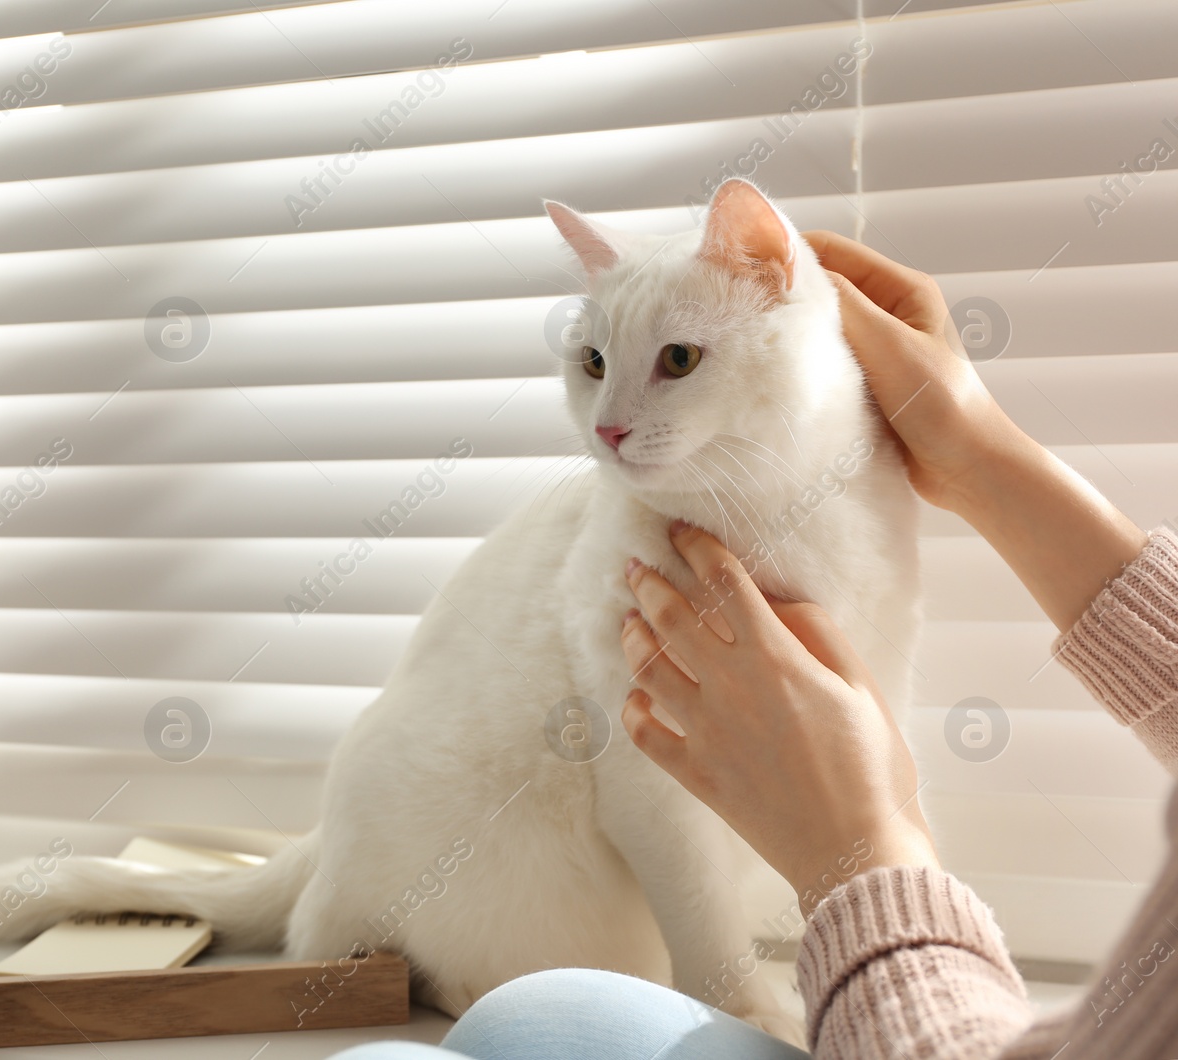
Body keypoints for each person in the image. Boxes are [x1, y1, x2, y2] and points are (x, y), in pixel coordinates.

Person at [330, 230, 1178, 1059]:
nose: (612, 423)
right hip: (466, 885)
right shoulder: (639, 525)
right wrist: (976, 452)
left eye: (679, 361)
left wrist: (864, 853)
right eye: (594, 366)